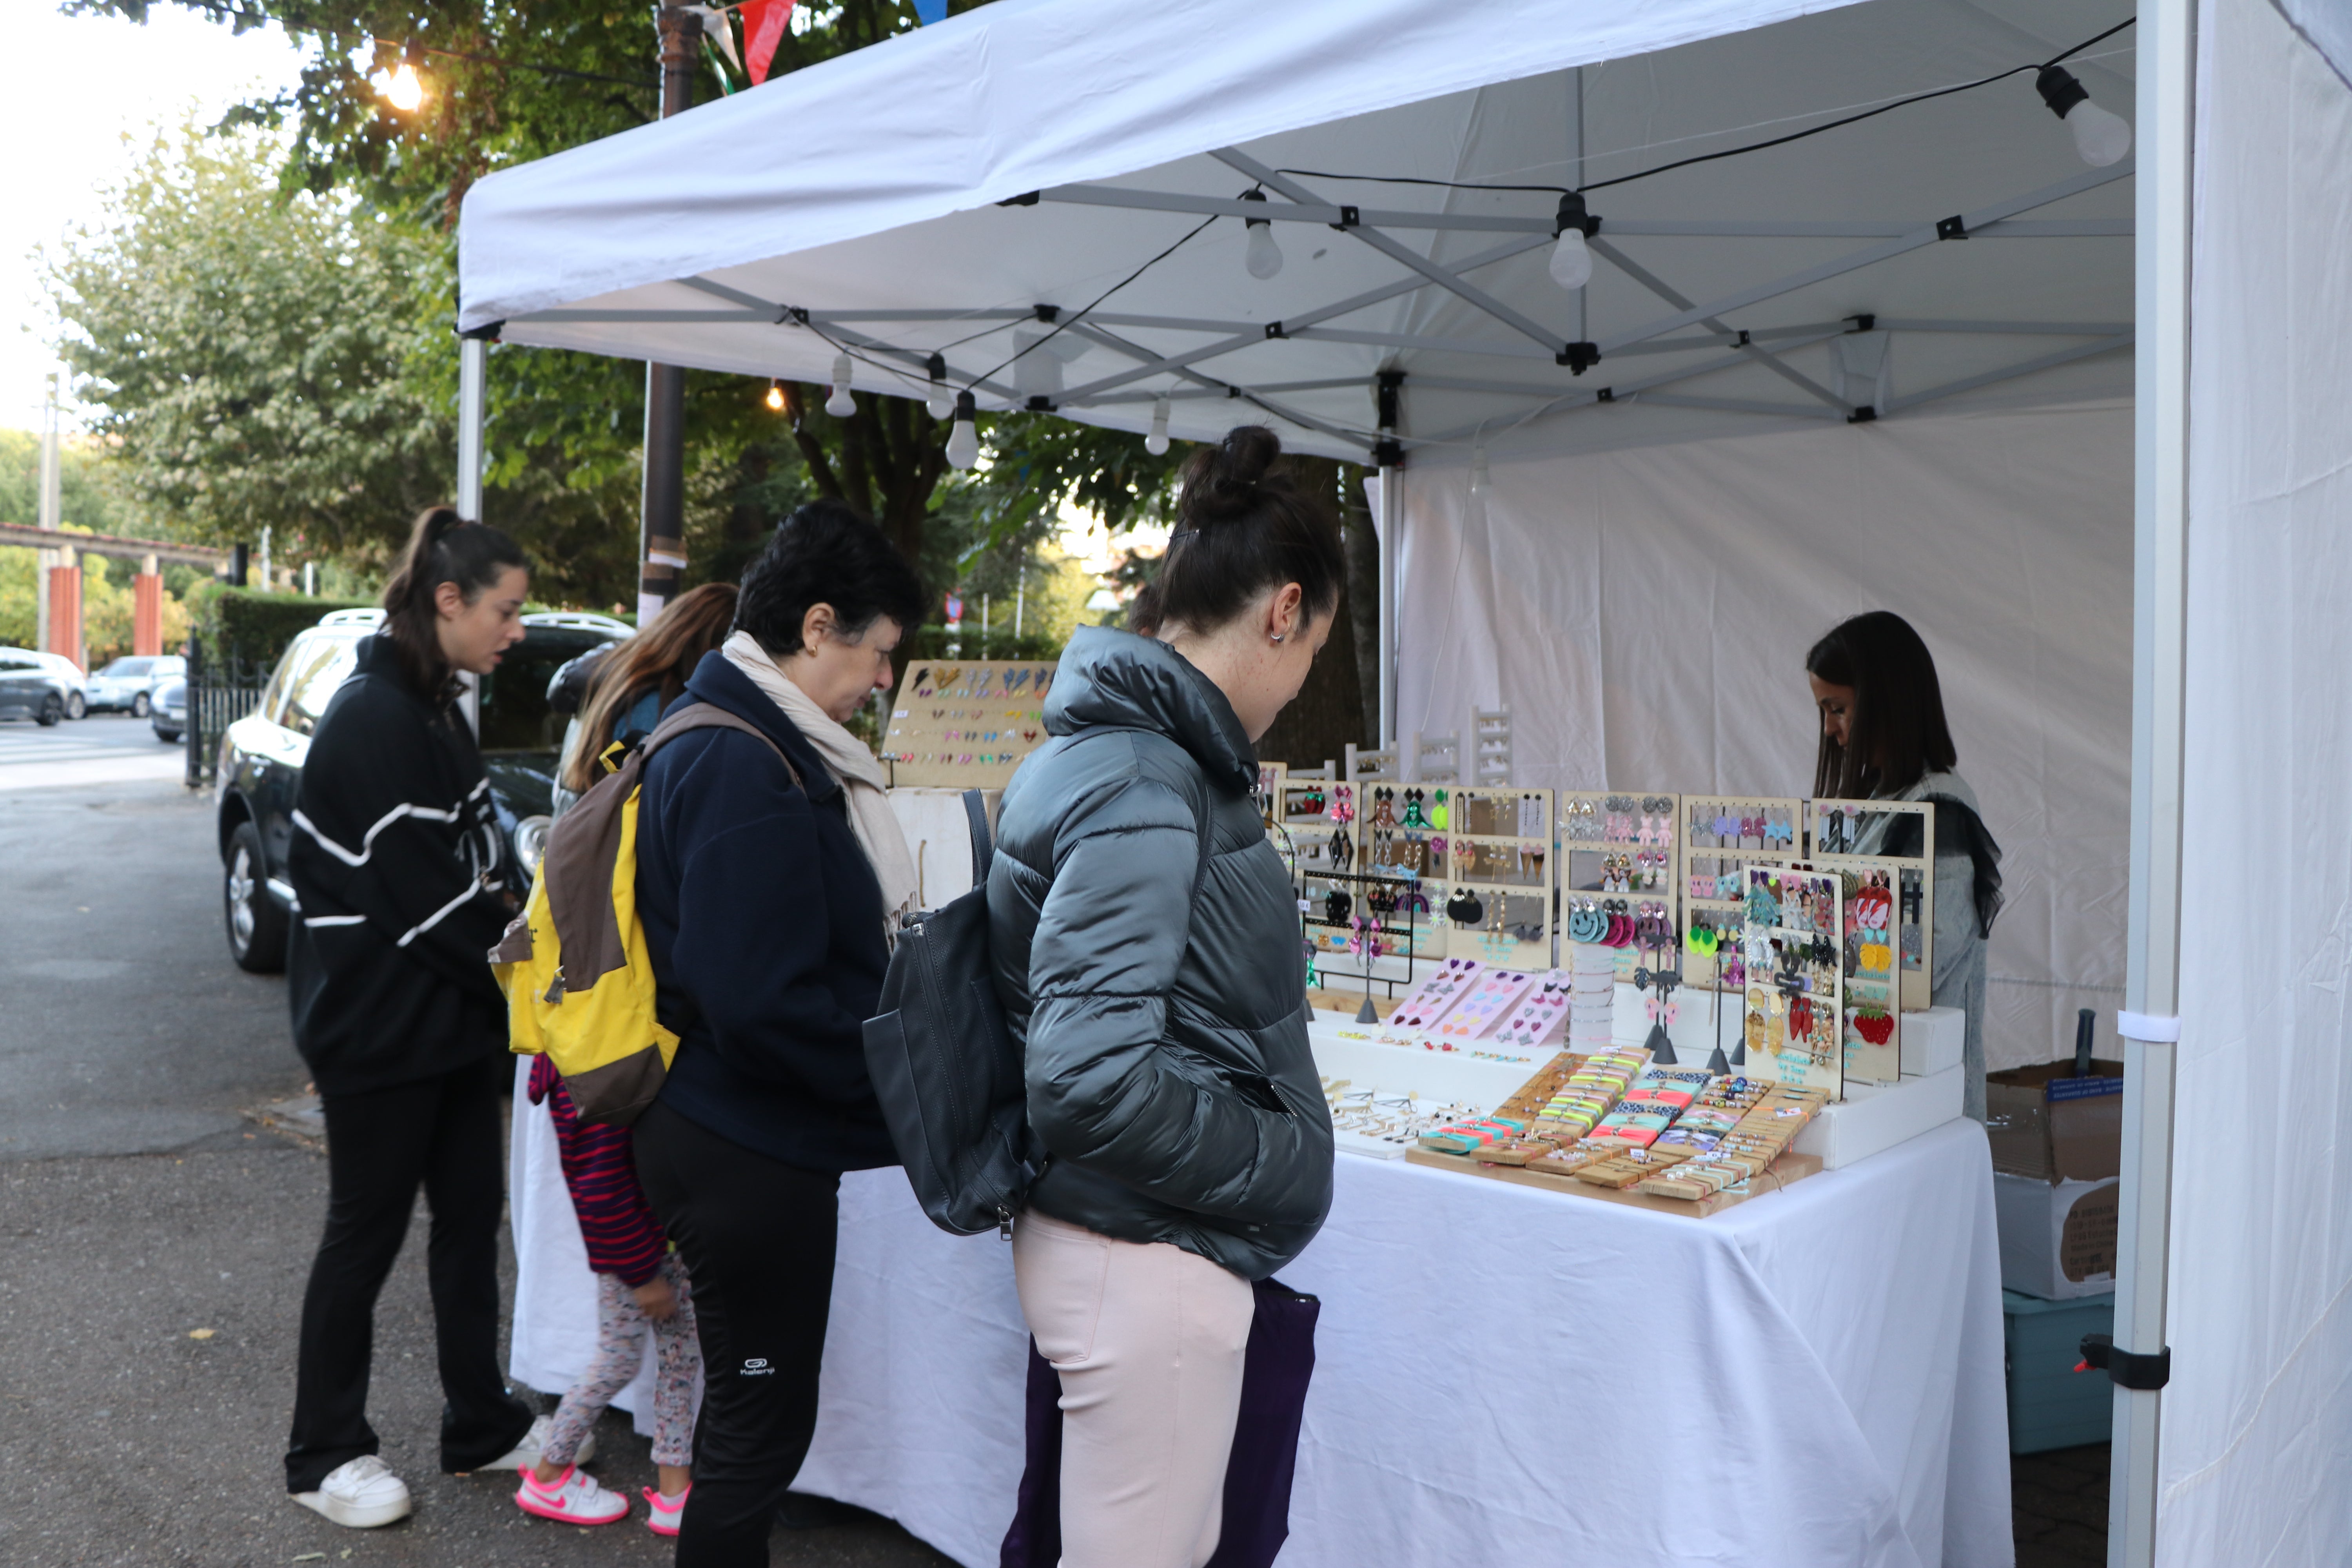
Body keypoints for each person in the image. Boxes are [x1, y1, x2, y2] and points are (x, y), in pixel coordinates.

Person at [987, 426, 1341, 1568]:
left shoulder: (1113, 755)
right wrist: (1276, 1157)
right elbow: (1085, 1076)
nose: (1296, 689)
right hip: (1145, 1265)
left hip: (1126, 1245)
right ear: (1283, 611)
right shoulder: (1146, 773)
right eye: (1314, 649)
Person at [628, 499, 926, 1566]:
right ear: (817, 627)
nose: (885, 679)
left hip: (733, 1136)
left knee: (758, 1425)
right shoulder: (747, 764)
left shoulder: (747, 739)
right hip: (742, 1145)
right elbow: (759, 1001)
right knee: (755, 1433)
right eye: (881, 651)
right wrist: (903, 1076)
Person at [282, 507, 549, 1527]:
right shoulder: (376, 721)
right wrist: (535, 975)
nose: (515, 630)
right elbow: (437, 908)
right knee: (365, 1236)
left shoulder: (431, 708)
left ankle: (477, 1422)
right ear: (448, 601)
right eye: (506, 610)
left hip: (446, 1032)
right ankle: (323, 1454)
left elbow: (475, 875)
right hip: (380, 1037)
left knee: (469, 1227)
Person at [1805, 609, 2005, 1119]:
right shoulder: (1876, 803)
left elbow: (1923, 957)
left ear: (1885, 703)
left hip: (1922, 1098)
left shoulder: (1940, 813)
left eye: (1839, 709)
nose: (1829, 729)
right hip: (1873, 1077)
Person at [512, 1054, 701, 1533]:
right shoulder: (595, 1065)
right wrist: (642, 1275)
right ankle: (549, 1474)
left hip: (661, 1240)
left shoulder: (587, 1053)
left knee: (679, 1363)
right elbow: (599, 1185)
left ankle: (675, 1493)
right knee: (619, 1360)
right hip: (642, 1251)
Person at [550, 582, 740, 819]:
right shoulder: (652, 702)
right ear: (705, 643)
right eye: (736, 651)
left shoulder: (625, 675)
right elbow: (656, 806)